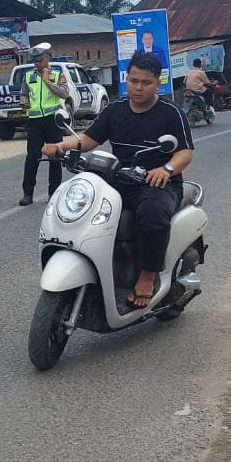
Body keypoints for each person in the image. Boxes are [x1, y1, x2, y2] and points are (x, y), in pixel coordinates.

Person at [42, 51, 193, 308]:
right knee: (86, 207)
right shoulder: (115, 110)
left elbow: (185, 152)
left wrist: (166, 168)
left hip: (157, 183)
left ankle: (148, 275)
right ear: (127, 79)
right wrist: (61, 146)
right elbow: (88, 140)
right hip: (120, 179)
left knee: (153, 214)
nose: (138, 87)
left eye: (146, 82)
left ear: (158, 83)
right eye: (134, 81)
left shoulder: (170, 113)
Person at [19, 43, 71, 206]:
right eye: (35, 60)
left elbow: (64, 93)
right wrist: (24, 102)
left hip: (52, 120)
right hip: (34, 121)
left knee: (54, 155)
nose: (37, 63)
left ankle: (53, 193)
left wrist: (47, 81)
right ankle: (28, 193)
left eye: (40, 59)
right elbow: (24, 94)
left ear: (48, 57)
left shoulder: (58, 75)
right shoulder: (28, 76)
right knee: (32, 156)